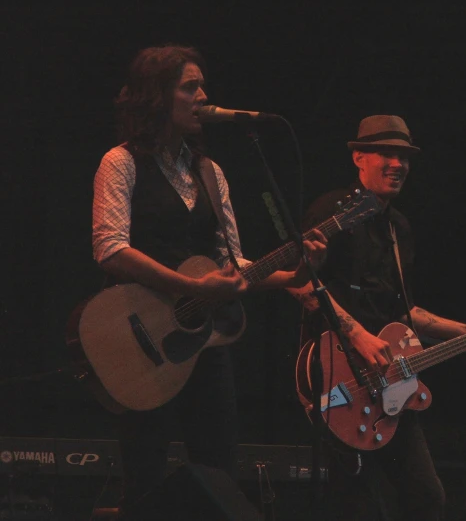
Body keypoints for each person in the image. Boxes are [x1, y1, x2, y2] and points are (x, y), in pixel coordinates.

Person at [91, 43, 326, 517]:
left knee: (219, 474)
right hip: (141, 339)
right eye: (190, 87)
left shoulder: (210, 173)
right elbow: (110, 248)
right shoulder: (120, 162)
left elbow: (233, 264)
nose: (203, 96)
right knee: (145, 477)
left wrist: (290, 275)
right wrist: (192, 288)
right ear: (157, 96)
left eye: (203, 86)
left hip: (204, 341)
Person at [287, 114, 466, 520]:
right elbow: (298, 282)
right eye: (386, 153)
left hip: (387, 383)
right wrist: (356, 333)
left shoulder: (399, 228)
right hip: (337, 379)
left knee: (426, 499)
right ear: (359, 157)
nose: (398, 164)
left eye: (405, 156)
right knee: (355, 506)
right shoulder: (332, 210)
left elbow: (406, 313)